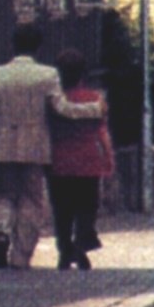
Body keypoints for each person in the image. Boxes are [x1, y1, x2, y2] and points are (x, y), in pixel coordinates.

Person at [0, 22, 106, 269]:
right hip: (34, 148)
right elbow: (62, 109)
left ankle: (0, 229)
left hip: (0, 146)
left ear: (13, 45)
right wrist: (93, 109)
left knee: (3, 195)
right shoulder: (47, 75)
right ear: (38, 46)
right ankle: (20, 256)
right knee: (31, 200)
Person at [47, 49, 113, 270]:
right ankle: (81, 244)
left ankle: (64, 249)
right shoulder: (95, 98)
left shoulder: (55, 99)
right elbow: (102, 132)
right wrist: (108, 158)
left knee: (61, 208)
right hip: (88, 159)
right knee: (87, 206)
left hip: (60, 158)